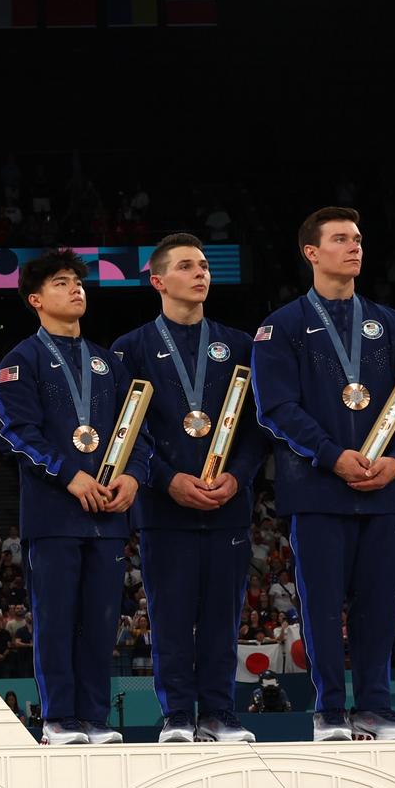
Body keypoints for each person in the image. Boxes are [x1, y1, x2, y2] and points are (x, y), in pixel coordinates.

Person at [250, 207, 395, 741]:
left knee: (378, 604)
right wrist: (331, 455)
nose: (355, 247)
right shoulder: (279, 327)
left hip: (384, 484)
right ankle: (329, 711)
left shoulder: (391, 323)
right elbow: (276, 408)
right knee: (323, 604)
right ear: (311, 252)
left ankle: (375, 707)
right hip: (318, 486)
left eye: (358, 238)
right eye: (340, 239)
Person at [0, 248, 149, 744]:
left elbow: (136, 431)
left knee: (102, 623)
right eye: (60, 283)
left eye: (77, 282)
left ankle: (96, 719)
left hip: (107, 512)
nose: (75, 289)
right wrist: (69, 476)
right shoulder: (20, 362)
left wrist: (135, 477)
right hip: (55, 512)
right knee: (57, 620)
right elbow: (18, 434)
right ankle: (59, 719)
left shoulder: (108, 362)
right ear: (35, 299)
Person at [110, 233, 263, 743]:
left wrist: (237, 476)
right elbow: (128, 430)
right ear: (158, 281)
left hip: (227, 502)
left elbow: (256, 428)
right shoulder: (130, 349)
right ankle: (177, 714)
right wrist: (166, 479)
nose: (200, 273)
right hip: (162, 506)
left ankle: (221, 713)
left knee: (223, 614)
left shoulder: (240, 345)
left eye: (203, 265)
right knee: (171, 615)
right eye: (185, 266)